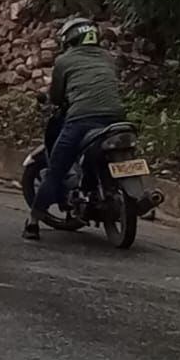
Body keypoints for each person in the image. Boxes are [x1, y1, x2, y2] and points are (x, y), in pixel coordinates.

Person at [24, 17, 128, 241]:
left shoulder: (64, 60)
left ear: (69, 39)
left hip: (82, 119)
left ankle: (32, 222)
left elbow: (56, 96)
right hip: (116, 118)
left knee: (56, 170)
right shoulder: (108, 57)